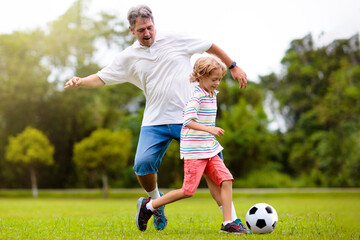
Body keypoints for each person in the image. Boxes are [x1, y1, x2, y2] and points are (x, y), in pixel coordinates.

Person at [64, 5, 247, 231]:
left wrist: (233, 66)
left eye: (150, 27)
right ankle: (155, 202)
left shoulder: (175, 39)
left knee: (214, 170)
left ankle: (230, 221)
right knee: (142, 165)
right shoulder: (128, 57)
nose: (147, 33)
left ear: (154, 24)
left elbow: (209, 45)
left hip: (189, 121)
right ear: (132, 31)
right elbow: (102, 77)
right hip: (155, 121)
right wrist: (80, 81)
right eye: (141, 30)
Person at [135, 56, 250, 234]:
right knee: (188, 191)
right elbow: (187, 121)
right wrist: (210, 129)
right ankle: (149, 206)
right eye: (213, 79)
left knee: (226, 180)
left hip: (210, 149)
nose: (217, 83)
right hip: (195, 151)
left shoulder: (212, 94)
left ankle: (228, 223)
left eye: (219, 79)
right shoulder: (196, 97)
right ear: (200, 77)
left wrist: (210, 135)